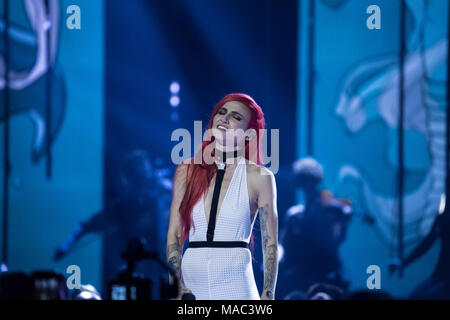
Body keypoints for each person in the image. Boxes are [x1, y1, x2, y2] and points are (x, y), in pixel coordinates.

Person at [166, 93, 278, 300]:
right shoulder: (187, 170)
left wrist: (268, 294)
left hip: (235, 283)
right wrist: (176, 285)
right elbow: (174, 233)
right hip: (191, 284)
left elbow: (269, 242)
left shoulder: (261, 177)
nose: (224, 118)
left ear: (249, 134)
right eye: (222, 112)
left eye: (236, 117)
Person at [54, 150, 170, 298]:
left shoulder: (160, 197)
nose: (141, 187)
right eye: (137, 180)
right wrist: (66, 245)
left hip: (160, 271)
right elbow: (85, 226)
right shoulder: (122, 208)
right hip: (130, 274)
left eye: (143, 179)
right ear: (129, 181)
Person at [278, 157, 352, 299]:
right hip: (301, 275)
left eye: (311, 183)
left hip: (327, 273)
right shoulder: (294, 215)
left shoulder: (330, 210)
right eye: (305, 183)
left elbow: (339, 238)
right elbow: (285, 245)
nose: (309, 188)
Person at [389, 199, 450, 299]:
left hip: (445, 282)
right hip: (439, 276)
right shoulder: (443, 218)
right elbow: (426, 244)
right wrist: (402, 262)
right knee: (417, 295)